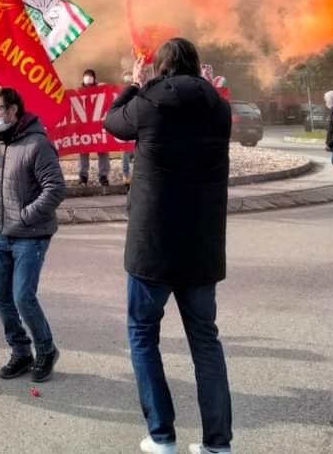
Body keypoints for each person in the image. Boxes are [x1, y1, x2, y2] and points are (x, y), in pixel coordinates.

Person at [104, 38, 233, 454]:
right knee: (205, 341)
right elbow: (201, 102)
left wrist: (134, 83)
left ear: (160, 68)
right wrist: (207, 87)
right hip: (202, 245)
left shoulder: (149, 101)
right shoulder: (219, 107)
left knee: (143, 334)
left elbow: (113, 122)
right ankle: (218, 444)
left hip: (152, 244)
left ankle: (162, 436)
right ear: (197, 66)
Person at [0, 87, 66, 384]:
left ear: (13, 110)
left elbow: (56, 188)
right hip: (2, 234)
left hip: (30, 236)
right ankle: (21, 351)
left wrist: (26, 215)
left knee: (22, 297)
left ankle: (46, 350)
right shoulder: (0, 144)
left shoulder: (37, 143)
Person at [78, 69, 111, 186]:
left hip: (98, 127)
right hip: (85, 128)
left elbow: (109, 96)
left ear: (94, 78)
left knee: (103, 151)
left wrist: (104, 88)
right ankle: (83, 176)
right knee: (83, 151)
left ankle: (103, 176)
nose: (88, 78)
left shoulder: (100, 90)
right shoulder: (79, 92)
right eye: (86, 76)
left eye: (90, 76)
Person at [120, 71, 136, 183]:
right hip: (126, 126)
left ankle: (135, 176)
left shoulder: (137, 90)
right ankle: (126, 176)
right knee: (125, 154)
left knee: (136, 154)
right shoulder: (120, 92)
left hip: (136, 126)